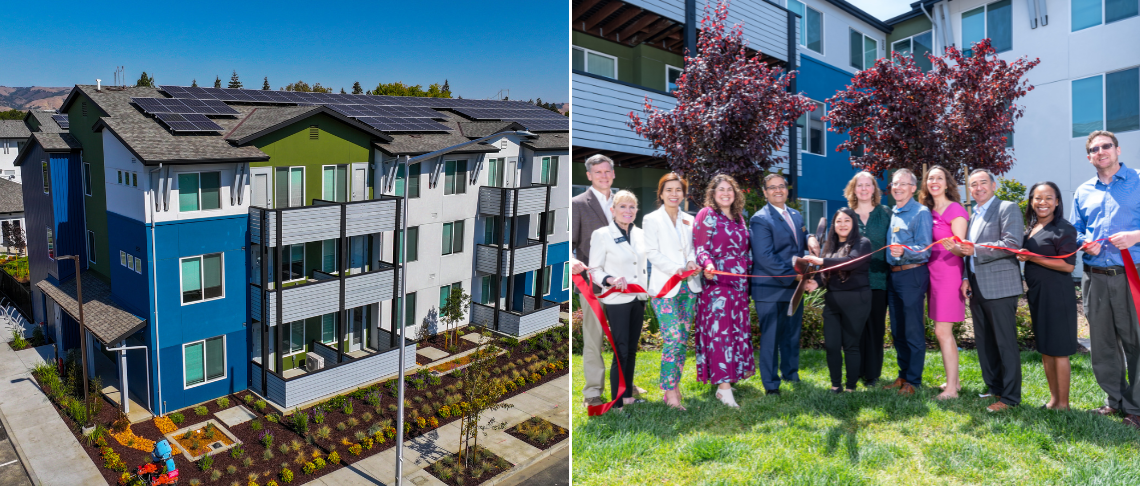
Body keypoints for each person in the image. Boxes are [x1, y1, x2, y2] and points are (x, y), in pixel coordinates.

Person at [1070, 130, 1140, 428]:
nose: (1101, 152)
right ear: (1089, 157)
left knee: (1136, 340)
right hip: (1094, 277)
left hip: (1132, 276)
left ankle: (1137, 407)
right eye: (1094, 149)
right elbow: (1075, 229)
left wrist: (1135, 236)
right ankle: (1115, 400)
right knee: (1102, 343)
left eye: (1106, 146)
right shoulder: (1083, 191)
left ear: (1118, 150)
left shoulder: (1138, 181)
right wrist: (1084, 242)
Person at [949, 169, 1024, 412]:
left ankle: (1010, 398)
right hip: (976, 285)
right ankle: (994, 387)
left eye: (983, 182)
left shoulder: (1007, 208)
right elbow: (966, 251)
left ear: (993, 185)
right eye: (973, 184)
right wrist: (965, 277)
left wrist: (976, 250)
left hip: (1001, 286)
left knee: (1005, 343)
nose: (978, 188)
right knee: (985, 342)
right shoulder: (974, 215)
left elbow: (1012, 244)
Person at [750, 173, 820, 396]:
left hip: (793, 288)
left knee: (791, 334)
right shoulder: (760, 219)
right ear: (765, 192)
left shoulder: (796, 215)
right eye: (772, 187)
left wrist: (810, 237)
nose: (778, 190)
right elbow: (765, 257)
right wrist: (796, 276)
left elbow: (800, 234)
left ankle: (791, 374)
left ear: (787, 189)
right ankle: (771, 384)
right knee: (771, 337)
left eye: (781, 186)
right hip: (770, 289)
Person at [694, 174, 755, 408]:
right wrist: (708, 265)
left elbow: (745, 251)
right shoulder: (707, 214)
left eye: (730, 189)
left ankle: (728, 376)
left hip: (739, 284)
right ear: (713, 193)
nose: (726, 193)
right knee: (720, 334)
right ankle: (723, 389)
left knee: (736, 331)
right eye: (721, 189)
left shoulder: (739, 217)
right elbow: (700, 248)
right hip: (717, 283)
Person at [642, 173, 702, 410]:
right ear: (661, 193)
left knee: (682, 340)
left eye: (678, 190)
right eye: (669, 189)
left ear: (684, 194)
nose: (674, 194)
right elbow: (651, 252)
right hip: (664, 288)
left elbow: (693, 248)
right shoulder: (651, 219)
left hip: (689, 287)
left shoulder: (689, 219)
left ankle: (674, 387)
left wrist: (691, 261)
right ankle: (669, 390)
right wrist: (676, 268)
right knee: (674, 337)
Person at [1018, 181, 1078, 410]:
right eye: (1037, 198)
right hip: (1038, 294)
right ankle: (1054, 400)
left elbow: (1068, 266)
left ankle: (1064, 404)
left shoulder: (1063, 229)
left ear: (1057, 202)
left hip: (1057, 295)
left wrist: (1031, 257)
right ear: (1031, 201)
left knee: (1059, 350)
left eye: (1048, 198)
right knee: (1046, 348)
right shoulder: (1031, 227)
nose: (1042, 203)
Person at [588, 190, 648, 411]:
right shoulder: (602, 234)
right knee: (620, 350)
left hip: (638, 298)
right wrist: (610, 279)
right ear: (613, 210)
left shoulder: (641, 234)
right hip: (617, 299)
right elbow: (594, 269)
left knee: (631, 349)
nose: (628, 211)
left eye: (632, 207)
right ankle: (617, 403)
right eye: (623, 206)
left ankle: (628, 396)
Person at [802, 208, 872, 392]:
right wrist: (816, 283)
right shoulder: (830, 246)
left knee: (851, 345)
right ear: (834, 225)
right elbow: (826, 273)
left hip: (857, 300)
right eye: (839, 221)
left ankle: (851, 387)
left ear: (854, 223)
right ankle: (835, 385)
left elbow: (850, 261)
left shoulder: (863, 243)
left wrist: (821, 261)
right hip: (833, 301)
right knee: (832, 346)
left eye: (847, 220)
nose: (842, 225)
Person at [920, 165, 969, 400]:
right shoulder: (927, 211)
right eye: (930, 178)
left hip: (949, 275)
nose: (934, 182)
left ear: (947, 183)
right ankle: (954, 382)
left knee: (942, 331)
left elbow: (962, 249)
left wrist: (955, 247)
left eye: (939, 178)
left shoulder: (955, 210)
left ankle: (951, 390)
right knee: (941, 331)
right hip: (931, 274)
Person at [883, 169, 932, 395]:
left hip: (912, 275)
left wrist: (905, 250)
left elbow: (925, 249)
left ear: (913, 188)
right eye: (895, 183)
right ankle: (902, 375)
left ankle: (914, 381)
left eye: (903, 184)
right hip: (894, 275)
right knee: (898, 330)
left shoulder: (920, 212)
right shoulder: (894, 212)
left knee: (912, 330)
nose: (898, 187)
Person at [846, 172, 891, 387]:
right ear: (853, 189)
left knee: (875, 327)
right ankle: (855, 371)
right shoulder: (846, 215)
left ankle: (872, 374)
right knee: (855, 328)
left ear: (874, 189)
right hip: (852, 282)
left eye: (868, 185)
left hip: (879, 280)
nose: (863, 189)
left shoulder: (886, 214)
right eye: (859, 185)